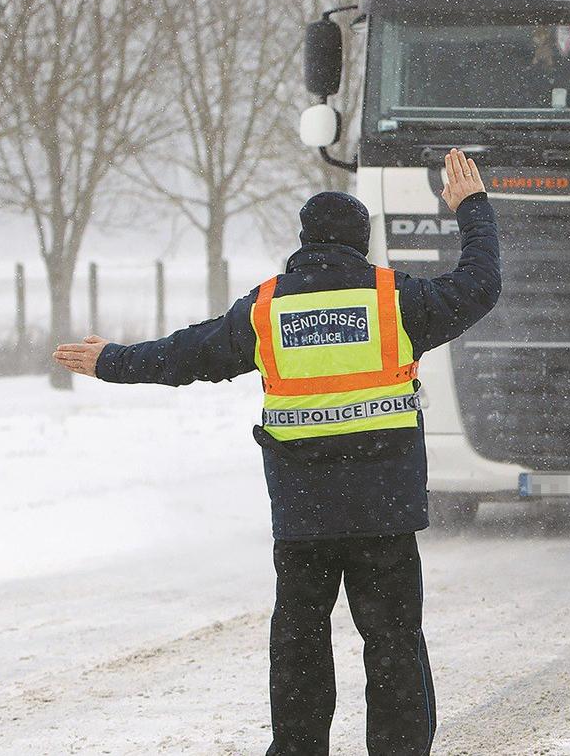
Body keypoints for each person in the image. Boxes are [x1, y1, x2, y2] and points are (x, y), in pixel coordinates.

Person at [53, 149, 499, 756]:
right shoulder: (396, 301)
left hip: (304, 517)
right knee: (393, 641)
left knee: (299, 638)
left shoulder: (266, 311)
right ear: (359, 243)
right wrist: (471, 209)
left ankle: (297, 750)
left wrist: (112, 360)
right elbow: (480, 285)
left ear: (305, 240)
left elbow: (185, 356)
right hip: (384, 515)